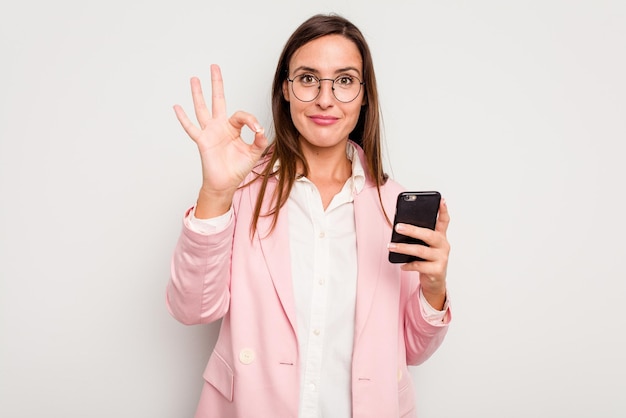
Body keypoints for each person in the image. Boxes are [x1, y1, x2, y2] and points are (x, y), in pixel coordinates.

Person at [167, 13, 452, 418]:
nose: (325, 98)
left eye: (345, 80)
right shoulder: (244, 189)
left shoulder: (393, 204)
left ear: (365, 94)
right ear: (286, 89)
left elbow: (414, 350)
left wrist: (433, 285)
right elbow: (191, 308)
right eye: (307, 78)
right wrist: (215, 192)